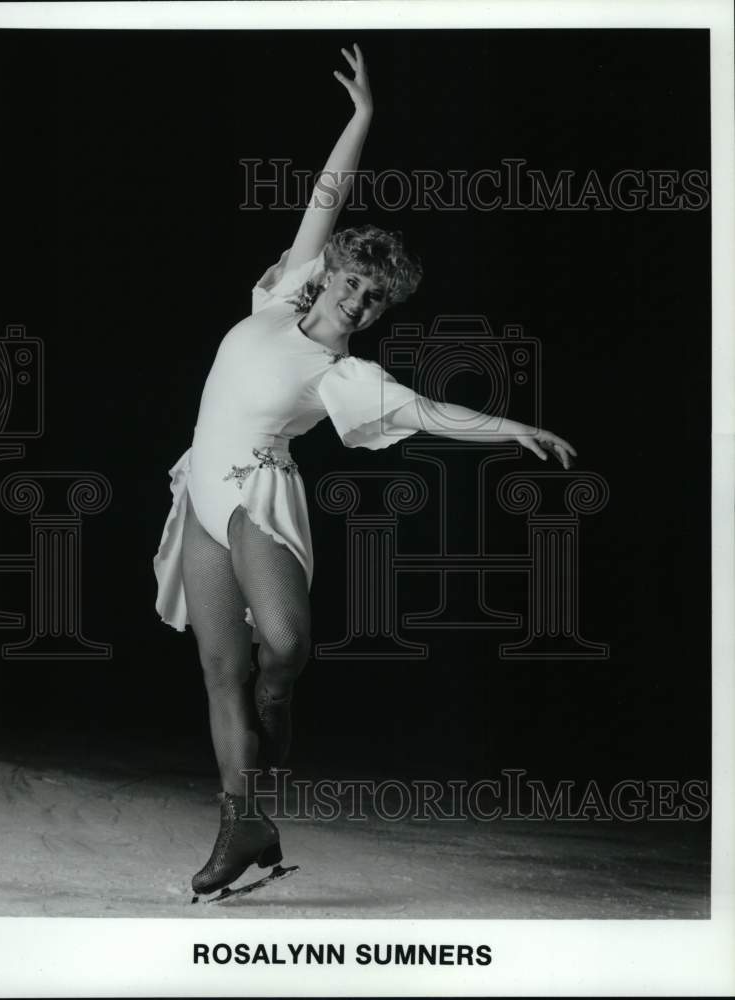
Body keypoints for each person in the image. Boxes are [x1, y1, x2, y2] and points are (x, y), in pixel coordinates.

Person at [153, 43, 576, 900]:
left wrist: (513, 427)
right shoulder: (276, 299)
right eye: (350, 281)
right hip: (198, 487)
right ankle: (243, 824)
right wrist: (363, 117)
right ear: (328, 275)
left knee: (287, 648)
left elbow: (429, 412)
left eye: (373, 299)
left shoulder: (348, 377)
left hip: (256, 495)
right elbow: (327, 198)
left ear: (380, 310)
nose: (357, 299)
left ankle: (279, 708)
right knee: (216, 667)